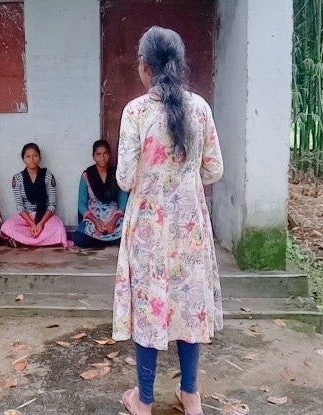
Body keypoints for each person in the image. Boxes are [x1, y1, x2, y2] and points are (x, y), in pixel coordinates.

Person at [113, 27, 224, 415]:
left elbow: (124, 178)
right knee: (188, 302)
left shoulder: (135, 112)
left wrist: (155, 179)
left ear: (144, 67)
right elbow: (214, 169)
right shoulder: (201, 109)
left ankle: (144, 400)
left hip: (148, 225)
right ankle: (190, 396)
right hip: (190, 223)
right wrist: (184, 176)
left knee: (149, 304)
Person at [0, 143, 73, 247]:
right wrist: (32, 224)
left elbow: (52, 205)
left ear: (40, 157)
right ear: (23, 159)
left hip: (44, 216)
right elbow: (20, 206)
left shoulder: (48, 176)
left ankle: (23, 241)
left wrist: (41, 223)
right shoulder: (17, 178)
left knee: (58, 227)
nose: (32, 159)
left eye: (35, 156)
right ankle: (40, 241)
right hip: (26, 218)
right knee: (7, 226)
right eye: (28, 156)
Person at [73, 140, 128, 247]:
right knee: (79, 238)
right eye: (98, 154)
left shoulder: (117, 174)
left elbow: (123, 201)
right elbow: (81, 204)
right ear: (93, 156)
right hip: (94, 217)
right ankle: (108, 240)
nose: (102, 157)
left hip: (113, 216)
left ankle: (102, 240)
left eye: (105, 154)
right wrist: (95, 221)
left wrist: (113, 221)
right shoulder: (87, 175)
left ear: (110, 155)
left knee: (128, 235)